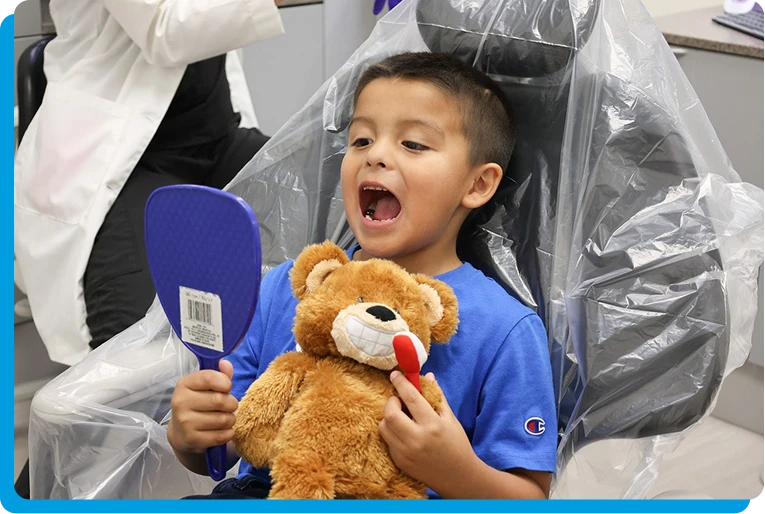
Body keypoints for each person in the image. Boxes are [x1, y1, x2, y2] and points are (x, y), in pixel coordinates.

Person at [168, 52, 558, 499]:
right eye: (360, 140)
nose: (376, 155)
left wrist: (454, 471)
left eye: (413, 144)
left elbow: (531, 496)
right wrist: (190, 435)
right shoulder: (289, 286)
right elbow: (221, 450)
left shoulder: (505, 329)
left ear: (478, 184)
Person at [13, 0, 286, 499]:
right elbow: (165, 28)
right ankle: (37, 495)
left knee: (321, 204)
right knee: (131, 363)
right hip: (120, 161)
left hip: (218, 138)